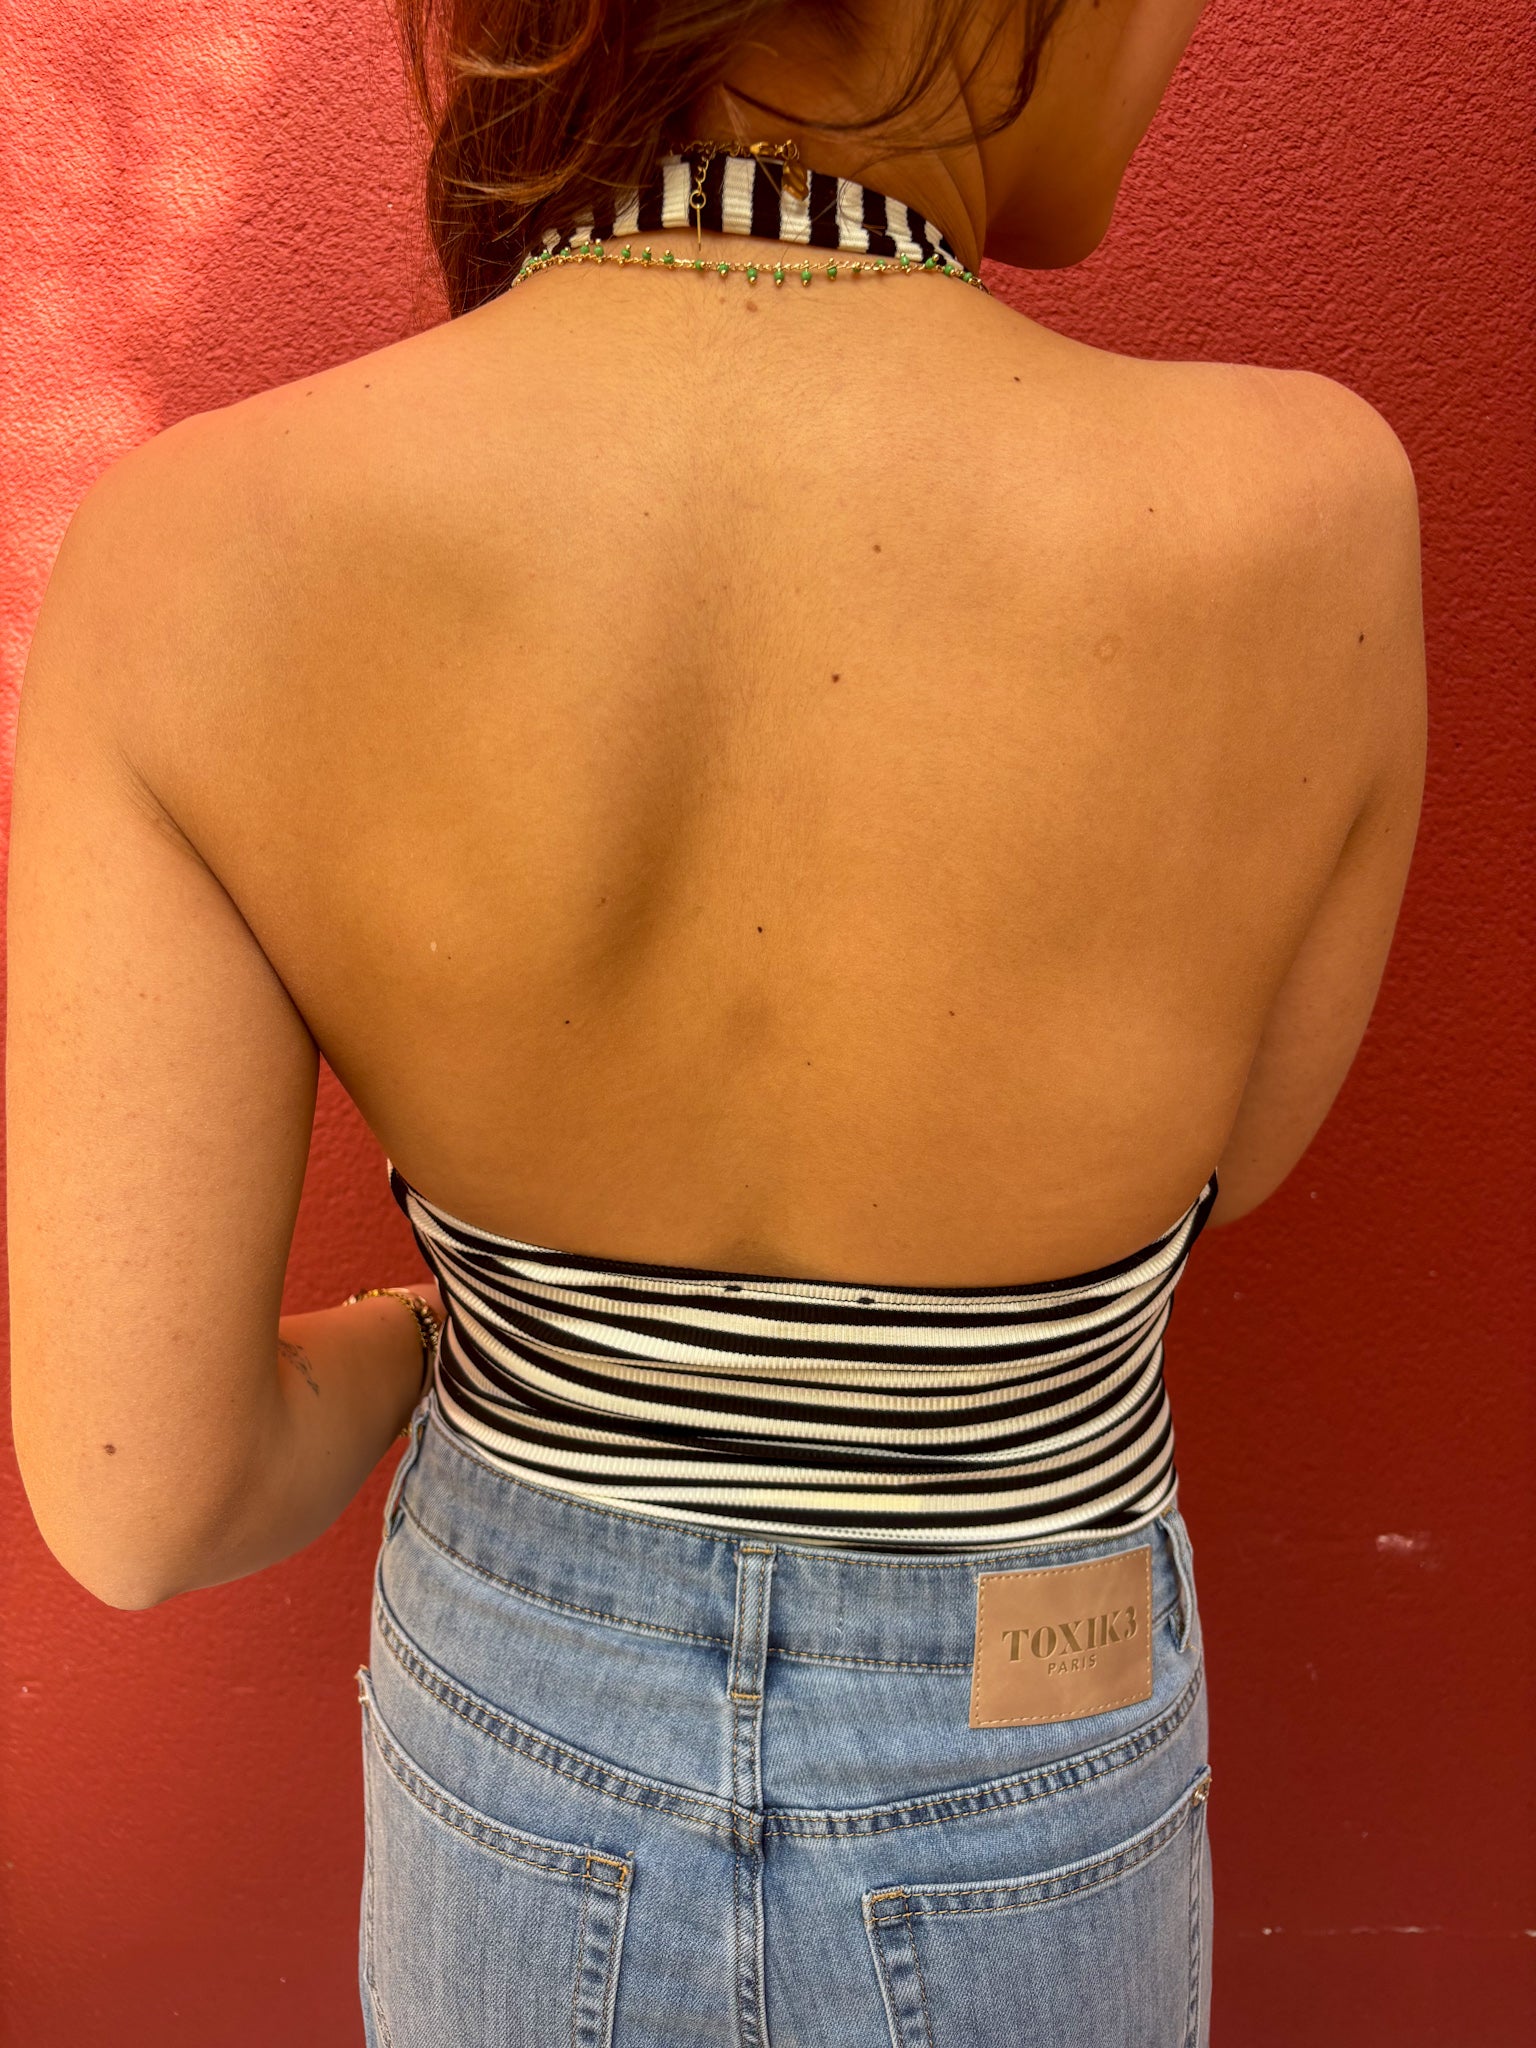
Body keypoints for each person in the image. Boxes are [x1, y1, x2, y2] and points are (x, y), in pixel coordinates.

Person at [6, 0, 1425, 2040]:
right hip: (1031, 1700)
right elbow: (1231, 1161)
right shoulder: (1313, 512)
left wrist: (446, 1333)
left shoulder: (198, 548)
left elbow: (151, 1499)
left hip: (518, 1728)